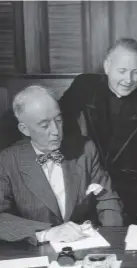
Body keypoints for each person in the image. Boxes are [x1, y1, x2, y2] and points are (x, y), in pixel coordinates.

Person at [59, 38, 137, 225]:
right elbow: (60, 119)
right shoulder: (85, 86)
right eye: (122, 71)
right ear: (107, 66)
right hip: (90, 183)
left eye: (135, 72)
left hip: (134, 191)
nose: (128, 80)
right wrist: (79, 157)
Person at [0, 85, 123, 245]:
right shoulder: (8, 160)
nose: (56, 131)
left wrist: (111, 238)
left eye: (58, 120)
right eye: (44, 125)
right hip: (37, 250)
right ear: (25, 129)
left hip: (84, 246)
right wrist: (47, 233)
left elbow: (107, 198)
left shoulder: (85, 149)